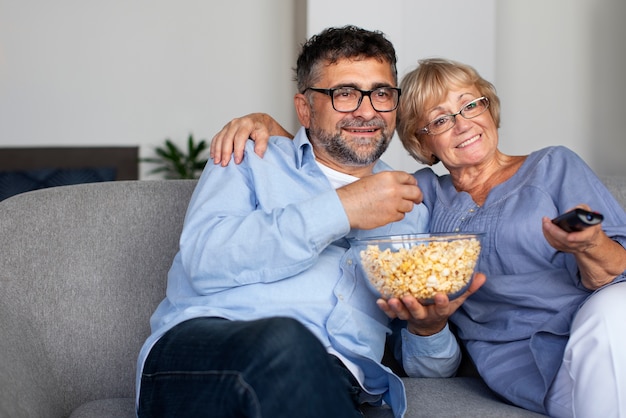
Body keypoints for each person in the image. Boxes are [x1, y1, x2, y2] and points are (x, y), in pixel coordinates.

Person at [210, 58, 626, 417]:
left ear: (490, 109)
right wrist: (272, 128)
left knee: (616, 309)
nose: (463, 124)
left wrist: (589, 245)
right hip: (520, 365)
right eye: (441, 119)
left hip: (598, 338)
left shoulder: (554, 166)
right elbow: (335, 173)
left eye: (470, 105)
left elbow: (618, 269)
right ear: (422, 142)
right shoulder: (423, 193)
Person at [136, 28, 485, 418]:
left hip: (337, 386)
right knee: (287, 342)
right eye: (345, 93)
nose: (367, 111)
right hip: (209, 356)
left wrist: (429, 329)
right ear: (305, 109)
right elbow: (204, 259)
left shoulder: (413, 208)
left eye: (381, 93)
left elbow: (426, 368)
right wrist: (342, 208)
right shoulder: (250, 156)